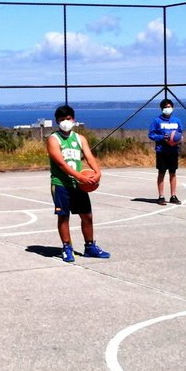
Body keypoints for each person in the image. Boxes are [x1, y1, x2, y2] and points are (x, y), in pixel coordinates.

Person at [46, 104, 109, 262]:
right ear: (57, 121)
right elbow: (61, 164)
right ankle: (67, 247)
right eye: (61, 119)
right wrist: (79, 177)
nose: (65, 121)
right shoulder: (53, 139)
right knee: (63, 216)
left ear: (73, 119)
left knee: (87, 216)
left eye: (68, 118)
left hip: (78, 185)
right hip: (61, 183)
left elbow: (89, 156)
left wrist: (97, 172)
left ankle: (90, 247)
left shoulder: (80, 139)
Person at [147, 98, 184, 205]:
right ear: (162, 109)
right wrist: (162, 137)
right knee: (161, 173)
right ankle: (161, 196)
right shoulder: (157, 121)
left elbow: (180, 134)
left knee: (173, 173)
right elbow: (151, 134)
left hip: (173, 150)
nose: (168, 109)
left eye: (169, 107)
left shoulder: (177, 121)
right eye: (165, 107)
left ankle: (173, 196)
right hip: (162, 151)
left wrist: (178, 139)